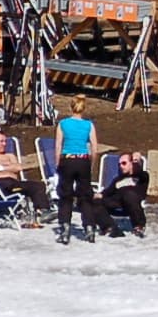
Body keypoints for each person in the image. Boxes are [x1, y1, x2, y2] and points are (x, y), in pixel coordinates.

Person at [53, 97, 99, 244]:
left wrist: (58, 164)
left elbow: (58, 146)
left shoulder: (63, 124)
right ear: (83, 109)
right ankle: (89, 227)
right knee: (85, 195)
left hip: (67, 159)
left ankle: (65, 227)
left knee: (65, 195)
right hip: (83, 159)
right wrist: (91, 163)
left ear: (71, 108)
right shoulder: (89, 125)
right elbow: (94, 147)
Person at [101, 150, 149, 237]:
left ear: (131, 163)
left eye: (124, 163)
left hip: (132, 207)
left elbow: (138, 172)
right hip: (118, 204)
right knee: (97, 202)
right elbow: (107, 192)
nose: (121, 166)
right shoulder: (118, 180)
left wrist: (136, 162)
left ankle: (139, 226)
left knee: (129, 195)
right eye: (119, 164)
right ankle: (109, 227)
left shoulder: (141, 177)